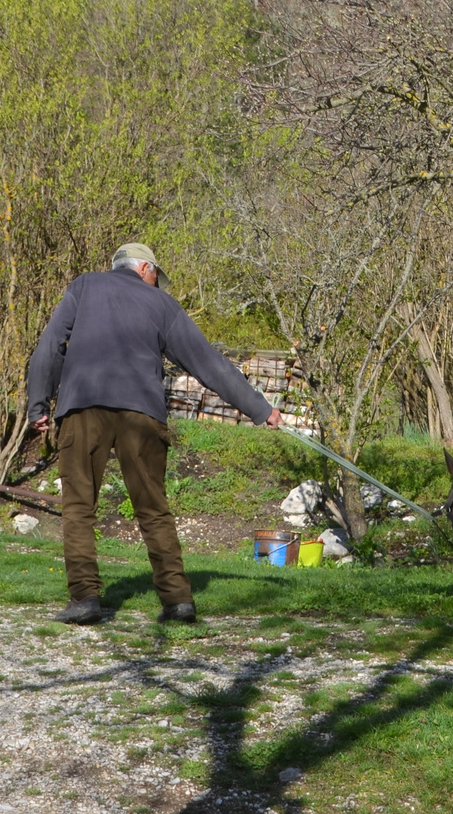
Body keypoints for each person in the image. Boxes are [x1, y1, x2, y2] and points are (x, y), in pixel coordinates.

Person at [26, 243, 281, 625]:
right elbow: (208, 363)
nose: (156, 285)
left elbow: (50, 345)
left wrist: (39, 404)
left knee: (79, 507)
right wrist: (261, 409)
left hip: (82, 407)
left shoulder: (83, 287)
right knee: (153, 509)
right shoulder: (162, 306)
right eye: (155, 277)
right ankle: (178, 601)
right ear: (144, 268)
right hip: (141, 412)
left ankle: (85, 599)